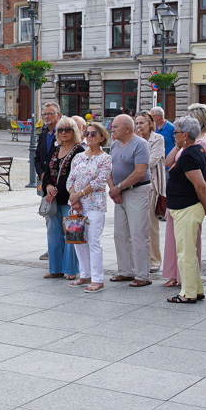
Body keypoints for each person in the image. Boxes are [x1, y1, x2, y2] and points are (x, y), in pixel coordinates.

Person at [162, 104, 206, 287]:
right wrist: (177, 146)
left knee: (187, 249)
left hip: (187, 204)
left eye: (176, 132)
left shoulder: (196, 149)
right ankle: (189, 284)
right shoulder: (189, 148)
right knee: (182, 246)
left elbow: (200, 183)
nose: (173, 134)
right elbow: (169, 162)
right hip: (180, 204)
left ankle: (188, 288)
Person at [108, 114, 152, 287]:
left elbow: (140, 172)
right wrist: (113, 189)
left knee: (139, 234)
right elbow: (109, 168)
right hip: (120, 193)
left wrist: (119, 187)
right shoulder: (114, 145)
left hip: (137, 191)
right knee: (120, 234)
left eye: (115, 126)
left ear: (127, 128)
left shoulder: (141, 144)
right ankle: (125, 271)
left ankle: (142, 275)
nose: (112, 129)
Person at [66, 121, 111, 293]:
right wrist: (74, 198)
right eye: (87, 133)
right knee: (78, 239)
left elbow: (99, 182)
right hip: (77, 205)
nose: (89, 137)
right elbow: (70, 180)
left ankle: (97, 278)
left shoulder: (105, 158)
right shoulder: (79, 157)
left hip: (95, 204)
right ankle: (84, 274)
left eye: (93, 134)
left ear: (101, 137)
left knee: (93, 240)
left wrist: (79, 194)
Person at [43, 116, 84, 279]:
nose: (64, 133)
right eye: (60, 130)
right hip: (53, 199)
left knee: (73, 234)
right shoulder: (55, 149)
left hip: (70, 199)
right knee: (53, 234)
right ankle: (55, 268)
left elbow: (78, 177)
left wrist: (71, 194)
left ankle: (72, 269)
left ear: (74, 132)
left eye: (68, 129)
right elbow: (46, 172)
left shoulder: (79, 151)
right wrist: (48, 187)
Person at [135, 111, 165, 273]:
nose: (139, 127)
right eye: (137, 123)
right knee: (136, 225)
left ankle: (154, 259)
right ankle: (138, 258)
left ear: (150, 124)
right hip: (134, 183)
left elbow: (150, 161)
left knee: (151, 224)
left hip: (151, 185)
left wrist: (139, 142)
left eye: (142, 123)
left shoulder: (157, 139)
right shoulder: (133, 139)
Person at [35, 102, 62, 261]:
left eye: (49, 114)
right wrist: (41, 174)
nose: (46, 117)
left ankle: (62, 247)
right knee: (49, 215)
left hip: (59, 182)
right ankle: (52, 247)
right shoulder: (44, 134)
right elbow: (37, 157)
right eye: (44, 114)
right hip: (46, 182)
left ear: (58, 115)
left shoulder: (63, 133)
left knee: (61, 216)